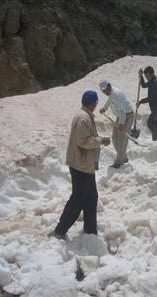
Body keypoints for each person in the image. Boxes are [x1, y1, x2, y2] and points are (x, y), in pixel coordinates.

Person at [53, 90, 110, 240]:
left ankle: (90, 231)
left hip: (84, 164)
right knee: (78, 198)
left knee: (91, 198)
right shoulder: (83, 118)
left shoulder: (84, 116)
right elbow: (83, 141)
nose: (97, 104)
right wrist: (100, 140)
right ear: (93, 103)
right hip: (81, 165)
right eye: (96, 102)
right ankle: (60, 229)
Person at [99, 80, 134, 168]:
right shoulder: (111, 93)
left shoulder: (117, 95)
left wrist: (122, 124)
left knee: (122, 139)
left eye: (106, 90)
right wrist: (104, 108)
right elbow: (110, 100)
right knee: (115, 138)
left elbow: (123, 112)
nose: (105, 92)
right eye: (103, 91)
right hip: (120, 116)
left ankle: (119, 161)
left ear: (109, 86)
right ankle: (124, 157)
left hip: (127, 115)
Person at [137, 66, 157, 141]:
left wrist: (140, 102)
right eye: (145, 76)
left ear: (150, 74)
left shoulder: (156, 83)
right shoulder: (152, 80)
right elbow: (143, 85)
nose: (146, 78)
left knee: (150, 123)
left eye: (146, 76)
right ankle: (156, 141)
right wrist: (141, 77)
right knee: (154, 125)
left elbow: (151, 98)